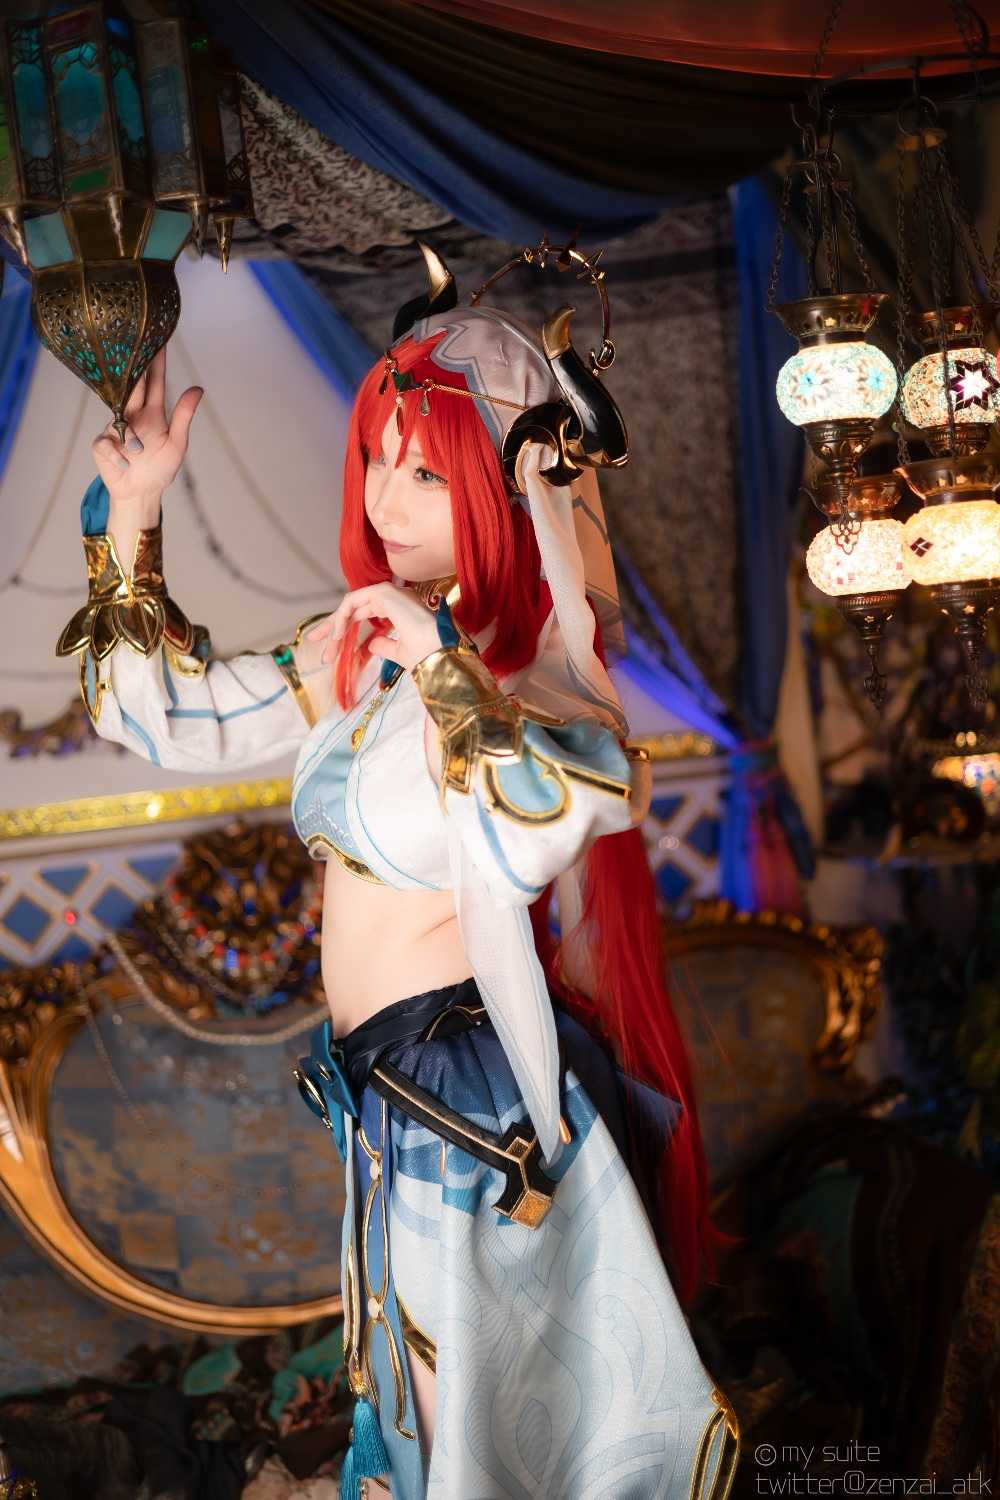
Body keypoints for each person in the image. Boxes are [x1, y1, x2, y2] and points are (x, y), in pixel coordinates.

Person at [59, 246, 739, 1499]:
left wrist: (442, 666)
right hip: (383, 1096)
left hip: (467, 1107)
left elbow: (553, 811)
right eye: (377, 455)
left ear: (501, 485)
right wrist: (136, 512)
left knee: (467, 1443)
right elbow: (161, 716)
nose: (385, 494)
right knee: (426, 1429)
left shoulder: (538, 672)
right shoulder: (358, 645)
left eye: (425, 469)